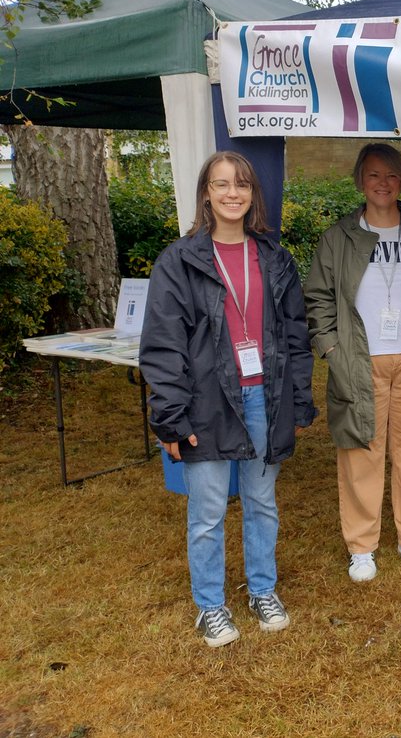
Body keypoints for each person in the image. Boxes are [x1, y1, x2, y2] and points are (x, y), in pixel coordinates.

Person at [140, 151, 316, 648]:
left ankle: (263, 590)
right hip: (206, 401)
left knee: (262, 503)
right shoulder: (180, 261)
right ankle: (210, 607)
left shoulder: (275, 258)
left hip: (266, 397)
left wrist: (298, 401)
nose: (232, 193)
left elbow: (296, 336)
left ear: (252, 194)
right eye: (221, 185)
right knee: (208, 510)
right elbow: (162, 343)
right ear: (206, 194)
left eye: (241, 184)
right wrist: (171, 417)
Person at [304, 143, 401, 583]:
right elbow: (317, 297)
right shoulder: (339, 236)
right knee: (361, 453)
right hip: (359, 359)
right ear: (360, 180)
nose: (383, 183)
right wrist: (332, 349)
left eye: (391, 175)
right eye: (374, 175)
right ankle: (362, 547)